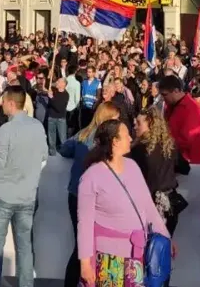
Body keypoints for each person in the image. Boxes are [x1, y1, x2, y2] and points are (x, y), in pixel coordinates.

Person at [77, 118, 173, 287]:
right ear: (115, 141)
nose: (131, 138)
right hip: (108, 258)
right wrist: (85, 264)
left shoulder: (133, 166)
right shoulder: (91, 177)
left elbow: (147, 206)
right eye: (126, 135)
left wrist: (165, 237)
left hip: (136, 256)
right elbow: (84, 223)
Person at [0, 85, 49, 287]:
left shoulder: (6, 129)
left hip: (3, 195)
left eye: (3, 101)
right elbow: (44, 155)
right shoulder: (37, 126)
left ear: (11, 103)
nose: (1, 104)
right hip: (27, 195)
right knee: (24, 247)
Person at [61, 101, 122, 287]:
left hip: (75, 195)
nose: (118, 123)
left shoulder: (83, 134)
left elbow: (64, 149)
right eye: (115, 120)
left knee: (81, 245)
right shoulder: (104, 142)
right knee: (87, 247)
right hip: (93, 199)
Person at [131, 106, 189, 239]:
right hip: (169, 205)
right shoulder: (169, 146)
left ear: (150, 123)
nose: (135, 127)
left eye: (139, 123)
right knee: (163, 249)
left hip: (149, 205)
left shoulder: (138, 150)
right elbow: (185, 168)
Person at [161, 75, 200, 164]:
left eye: (165, 94)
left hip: (190, 159)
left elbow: (189, 138)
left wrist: (166, 144)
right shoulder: (170, 106)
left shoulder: (192, 108)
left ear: (176, 91)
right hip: (174, 156)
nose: (163, 98)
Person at [47, 76, 70, 155]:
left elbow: (59, 108)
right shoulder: (54, 91)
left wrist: (52, 98)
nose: (56, 82)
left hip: (60, 118)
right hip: (51, 117)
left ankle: (64, 152)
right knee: (51, 136)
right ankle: (52, 151)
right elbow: (48, 83)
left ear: (63, 84)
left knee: (62, 137)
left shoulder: (66, 95)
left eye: (59, 81)